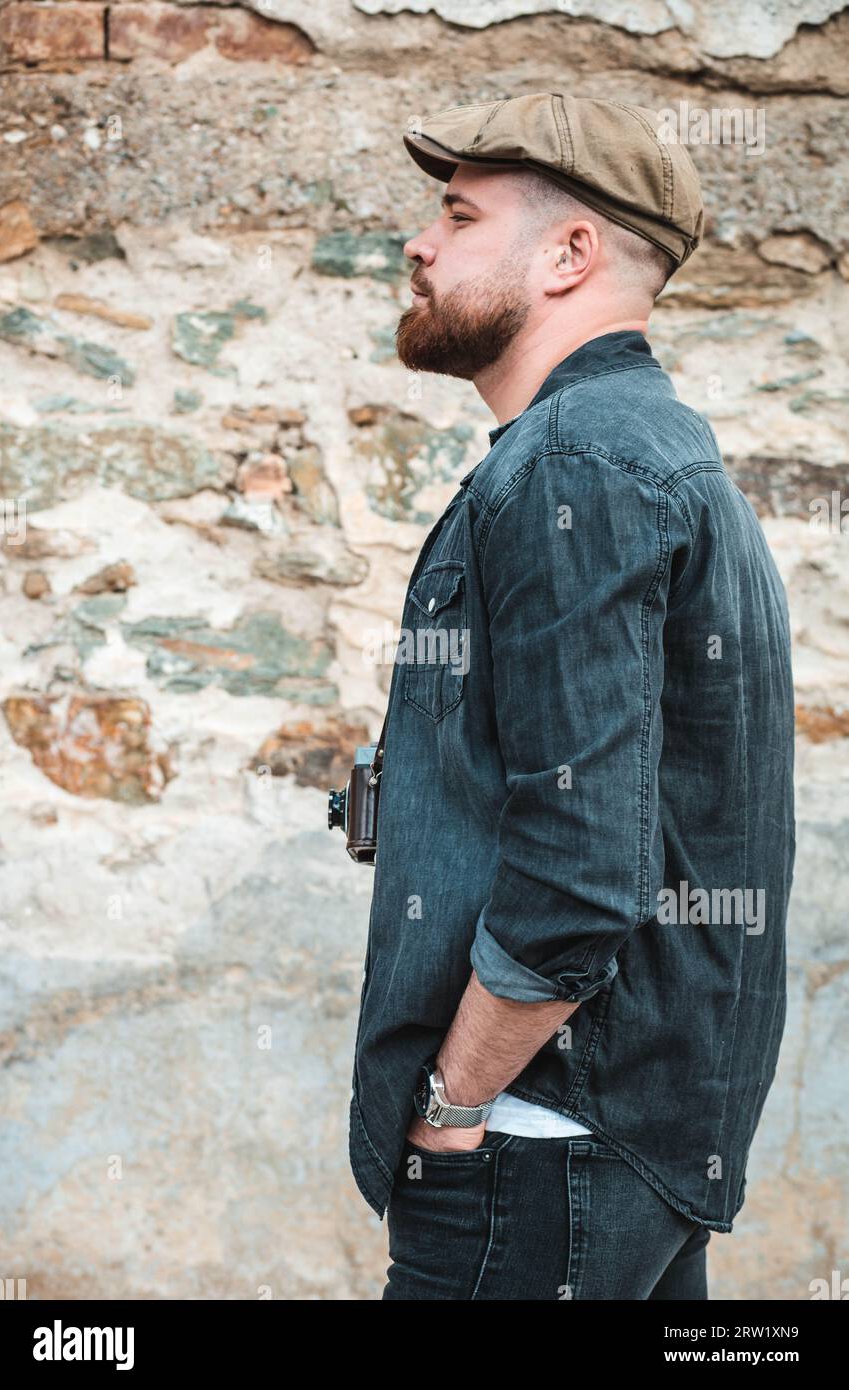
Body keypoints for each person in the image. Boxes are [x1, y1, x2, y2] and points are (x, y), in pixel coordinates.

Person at [346, 92, 796, 1300]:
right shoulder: (657, 449)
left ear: (569, 253)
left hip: (534, 1162)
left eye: (455, 213)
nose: (418, 244)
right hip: (622, 1159)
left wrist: (451, 1103)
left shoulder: (574, 465)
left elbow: (582, 864)